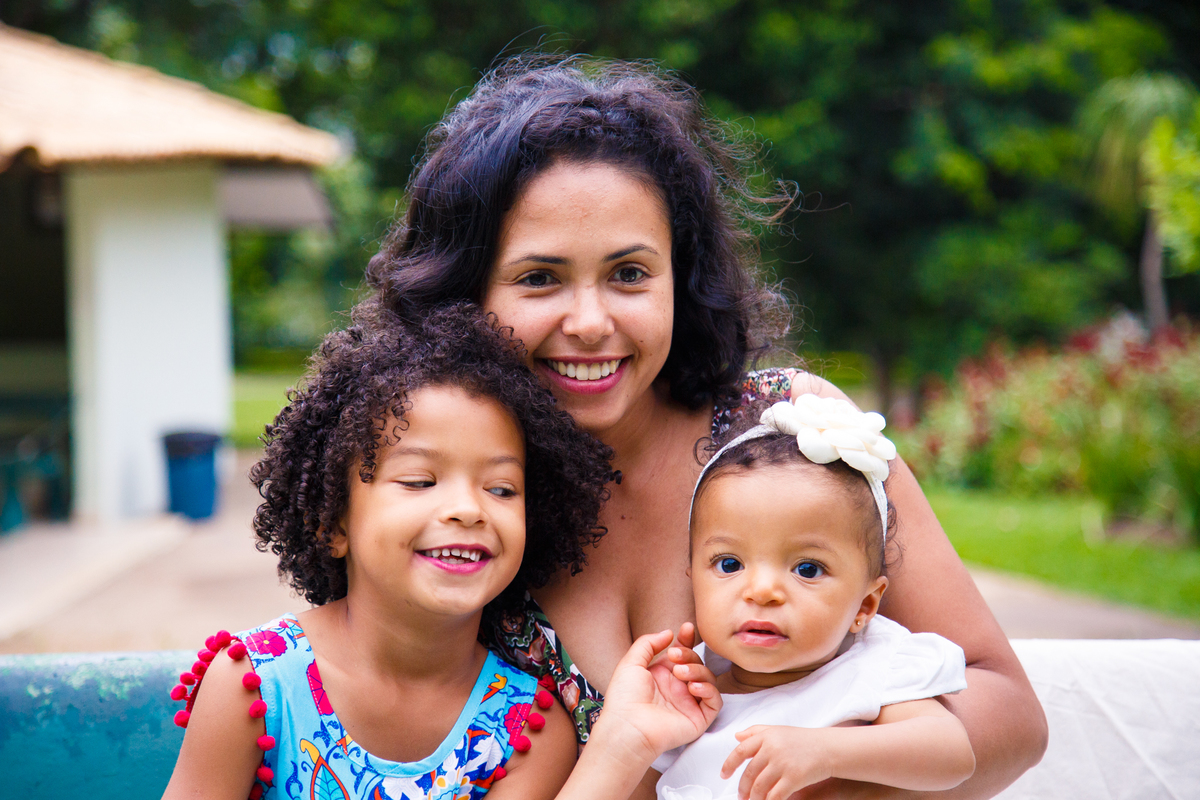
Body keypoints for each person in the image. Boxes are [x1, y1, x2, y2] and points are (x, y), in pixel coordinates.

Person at [364, 58, 1047, 798]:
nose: (591, 323)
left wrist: (804, 769)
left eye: (629, 274)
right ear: (464, 293)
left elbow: (1010, 715)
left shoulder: (791, 434)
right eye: (540, 278)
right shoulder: (453, 509)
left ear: (679, 280)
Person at [161, 303, 721, 800]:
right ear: (334, 521)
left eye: (501, 489)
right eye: (419, 481)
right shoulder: (256, 686)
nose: (467, 508)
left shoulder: (528, 728)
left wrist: (623, 743)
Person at [653, 394, 976, 799]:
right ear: (692, 580)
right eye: (730, 564)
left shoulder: (866, 669)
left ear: (865, 606)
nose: (763, 591)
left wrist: (826, 752)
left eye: (807, 569)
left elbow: (953, 754)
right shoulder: (690, 690)